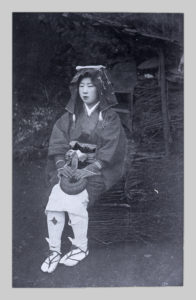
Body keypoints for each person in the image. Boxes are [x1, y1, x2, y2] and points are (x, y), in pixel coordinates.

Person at [41, 65, 127, 273]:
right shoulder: (70, 116)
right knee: (54, 199)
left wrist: (85, 170)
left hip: (100, 169)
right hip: (70, 168)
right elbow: (59, 141)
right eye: (81, 86)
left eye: (90, 86)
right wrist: (62, 166)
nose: (85, 90)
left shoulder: (109, 117)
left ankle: (81, 247)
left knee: (76, 200)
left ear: (100, 89)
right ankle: (54, 250)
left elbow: (110, 152)